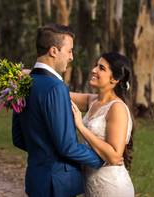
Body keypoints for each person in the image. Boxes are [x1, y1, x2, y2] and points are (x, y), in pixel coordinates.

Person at [12, 24, 106, 197]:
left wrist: (42, 151)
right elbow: (66, 146)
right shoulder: (56, 87)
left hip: (36, 180)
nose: (71, 57)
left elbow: (18, 138)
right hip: (57, 184)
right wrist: (100, 159)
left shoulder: (22, 85)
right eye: (69, 51)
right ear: (54, 51)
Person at [70, 52, 135, 196]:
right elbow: (58, 92)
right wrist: (33, 73)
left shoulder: (117, 108)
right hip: (91, 186)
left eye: (101, 68)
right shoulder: (92, 101)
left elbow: (114, 156)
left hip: (111, 188)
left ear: (115, 79)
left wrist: (81, 126)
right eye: (96, 66)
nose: (94, 70)